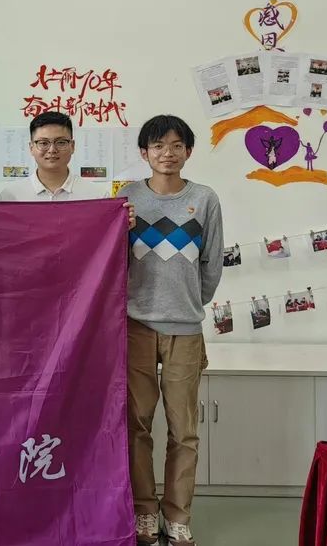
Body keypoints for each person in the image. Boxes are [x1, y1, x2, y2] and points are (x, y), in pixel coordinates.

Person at [118, 115, 223, 546]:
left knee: (185, 430)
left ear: (188, 152)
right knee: (135, 425)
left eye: (177, 145)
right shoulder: (126, 197)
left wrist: (189, 303)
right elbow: (111, 259)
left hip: (185, 330)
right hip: (135, 326)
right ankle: (144, 511)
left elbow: (211, 263)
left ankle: (177, 515)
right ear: (144, 152)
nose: (167, 153)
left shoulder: (205, 198)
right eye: (158, 146)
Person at [0, 112, 112, 202]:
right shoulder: (10, 197)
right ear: (31, 148)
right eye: (43, 143)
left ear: (72, 146)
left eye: (61, 142)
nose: (52, 150)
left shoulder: (98, 197)